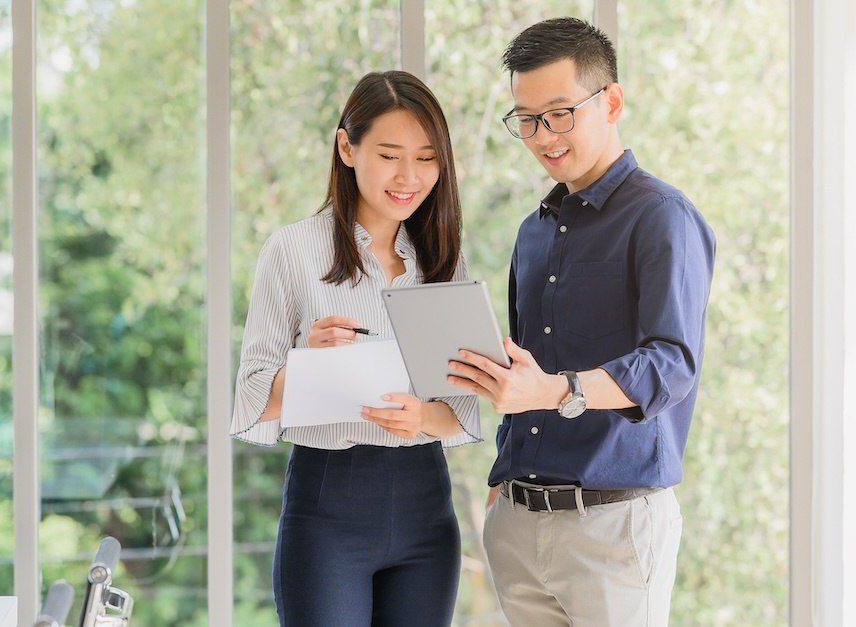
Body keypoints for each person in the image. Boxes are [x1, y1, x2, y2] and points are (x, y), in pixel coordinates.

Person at [445, 17, 716, 626]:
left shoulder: (662, 217)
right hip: (517, 524)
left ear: (611, 100)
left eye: (561, 112)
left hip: (612, 530)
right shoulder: (533, 231)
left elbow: (671, 365)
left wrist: (555, 390)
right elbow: (531, 364)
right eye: (527, 120)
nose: (544, 136)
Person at [230, 70, 482, 627]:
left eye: (426, 158)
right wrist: (308, 364)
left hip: (425, 507)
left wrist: (421, 415)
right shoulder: (292, 250)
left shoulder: (443, 262)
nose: (408, 177)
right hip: (327, 508)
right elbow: (250, 399)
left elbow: (461, 413)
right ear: (347, 146)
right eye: (389, 155)